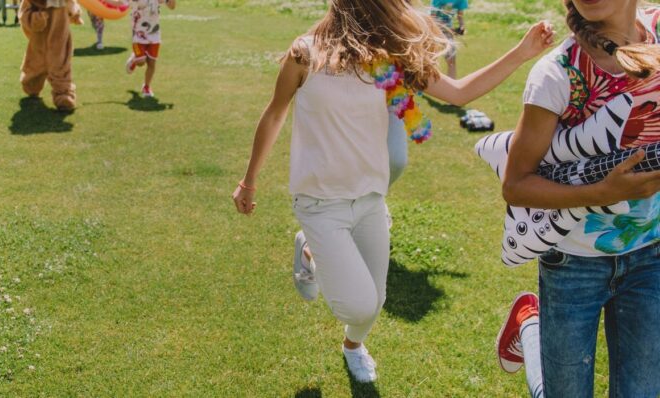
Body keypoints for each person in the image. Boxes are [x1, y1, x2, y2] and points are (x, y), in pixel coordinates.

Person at [230, 0, 551, 383]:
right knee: (360, 305)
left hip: (369, 200)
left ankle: (352, 346)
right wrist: (248, 180)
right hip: (319, 204)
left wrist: (522, 52)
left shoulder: (389, 58)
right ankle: (313, 252)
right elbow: (275, 113)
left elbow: (460, 93)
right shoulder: (304, 53)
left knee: (376, 301)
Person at [295, 20, 555, 301]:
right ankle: (313, 242)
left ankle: (359, 214)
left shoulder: (400, 33)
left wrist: (520, 52)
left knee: (394, 160)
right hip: (346, 103)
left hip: (387, 94)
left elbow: (458, 92)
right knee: (346, 183)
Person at [496, 0, 660, 395]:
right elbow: (515, 184)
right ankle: (530, 328)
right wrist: (601, 193)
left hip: (651, 255)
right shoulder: (555, 74)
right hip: (572, 262)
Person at [123, 0, 175, 97]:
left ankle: (146, 87)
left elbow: (172, 7)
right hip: (138, 34)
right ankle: (134, 60)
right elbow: (118, 3)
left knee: (152, 63)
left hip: (154, 34)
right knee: (141, 62)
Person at [430, 0, 468, 78]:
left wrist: (462, 26)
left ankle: (452, 83)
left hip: (448, 29)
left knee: (451, 59)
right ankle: (422, 85)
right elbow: (432, 17)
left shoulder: (461, 1)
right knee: (431, 59)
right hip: (432, 29)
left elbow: (460, 15)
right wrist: (447, 29)